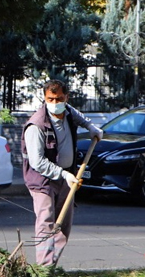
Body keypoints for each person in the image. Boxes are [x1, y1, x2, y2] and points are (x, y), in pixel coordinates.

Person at [22, 79, 103, 266]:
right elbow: (37, 162)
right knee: (46, 223)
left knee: (63, 224)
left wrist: (91, 127)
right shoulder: (36, 125)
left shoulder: (67, 112)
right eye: (50, 99)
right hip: (43, 180)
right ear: (44, 97)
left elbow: (78, 116)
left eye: (59, 99)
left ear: (66, 97)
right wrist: (64, 174)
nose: (55, 104)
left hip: (67, 176)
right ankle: (44, 269)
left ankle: (52, 264)